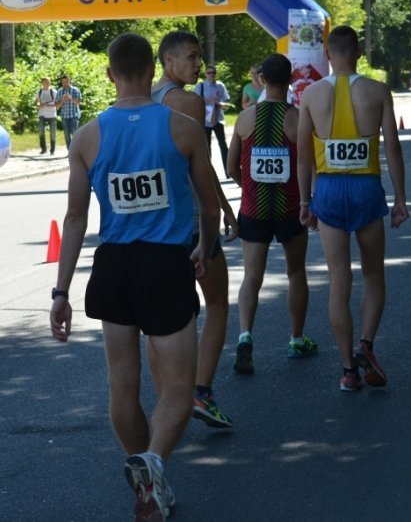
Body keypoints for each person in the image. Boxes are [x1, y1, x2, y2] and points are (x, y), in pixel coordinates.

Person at [49, 33, 220, 521]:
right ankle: (154, 461)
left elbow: (75, 219)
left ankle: (147, 479)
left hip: (114, 267)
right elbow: (210, 205)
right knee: (180, 387)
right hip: (165, 263)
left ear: (110, 75)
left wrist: (61, 291)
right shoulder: (184, 128)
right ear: (152, 70)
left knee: (122, 385)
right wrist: (204, 247)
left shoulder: (87, 136)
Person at [297, 25, 408, 392]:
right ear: (359, 52)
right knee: (373, 275)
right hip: (366, 188)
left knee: (339, 280)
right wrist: (400, 199)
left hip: (328, 191)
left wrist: (305, 201)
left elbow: (302, 155)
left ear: (328, 54)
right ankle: (366, 343)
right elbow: (392, 147)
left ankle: (347, 369)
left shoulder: (311, 94)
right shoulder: (378, 91)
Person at [153, 31, 238, 429]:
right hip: (190, 221)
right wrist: (223, 210)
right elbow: (200, 167)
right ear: (168, 60)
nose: (199, 64)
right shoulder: (187, 101)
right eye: (190, 56)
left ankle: (169, 400)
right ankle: (200, 392)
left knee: (161, 317)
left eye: (200, 56)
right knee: (217, 304)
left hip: (156, 225)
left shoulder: (143, 98)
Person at [228, 53, 314, 374]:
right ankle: (296, 340)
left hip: (254, 209)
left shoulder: (244, 118)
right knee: (296, 273)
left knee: (252, 276)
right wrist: (308, 200)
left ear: (261, 79)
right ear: (290, 79)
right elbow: (308, 164)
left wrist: (248, 186)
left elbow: (230, 167)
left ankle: (244, 337)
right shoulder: (298, 118)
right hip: (290, 207)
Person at [194, 65, 231, 171]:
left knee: (223, 145)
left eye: (213, 72)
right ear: (205, 74)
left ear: (216, 74)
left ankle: (228, 171)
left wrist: (220, 104)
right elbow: (194, 101)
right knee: (207, 147)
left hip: (218, 119)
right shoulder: (200, 86)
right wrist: (208, 100)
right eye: (209, 72)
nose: (211, 75)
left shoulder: (220, 86)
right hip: (205, 120)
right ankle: (209, 172)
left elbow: (227, 103)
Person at [55, 74, 82, 148]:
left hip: (74, 115)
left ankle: (77, 149)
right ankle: (70, 150)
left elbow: (78, 103)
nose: (65, 84)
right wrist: (62, 101)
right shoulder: (59, 91)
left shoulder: (75, 90)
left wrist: (70, 98)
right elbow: (57, 106)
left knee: (75, 133)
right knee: (66, 134)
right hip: (64, 116)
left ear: (69, 81)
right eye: (63, 82)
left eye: (66, 82)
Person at [35, 76, 58, 155]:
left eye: (48, 82)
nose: (46, 83)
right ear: (42, 83)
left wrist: (49, 105)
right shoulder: (39, 92)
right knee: (41, 131)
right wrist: (38, 105)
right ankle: (43, 149)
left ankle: (52, 150)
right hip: (42, 114)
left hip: (52, 115)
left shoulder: (54, 92)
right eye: (45, 82)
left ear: (50, 82)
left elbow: (58, 103)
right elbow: (36, 102)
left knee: (53, 133)